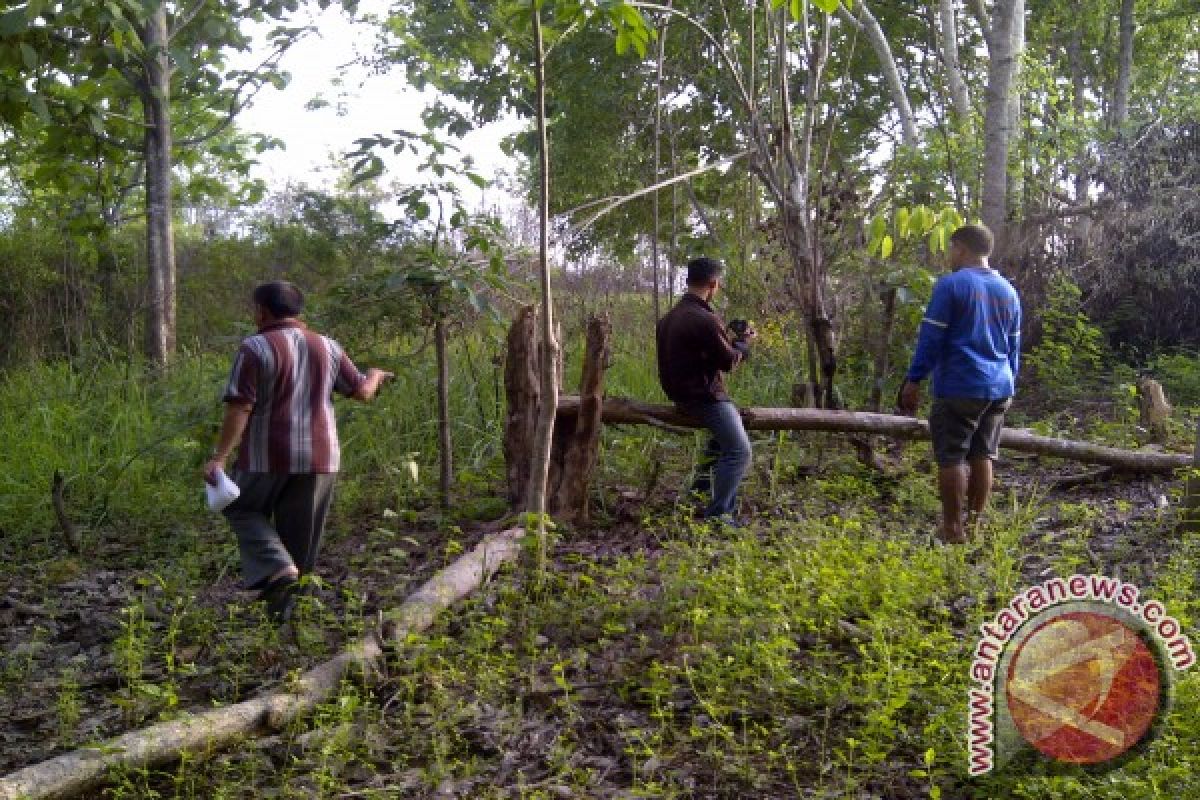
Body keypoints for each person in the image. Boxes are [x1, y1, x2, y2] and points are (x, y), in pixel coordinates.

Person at [204, 281, 392, 620]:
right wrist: (376, 374)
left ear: (262, 310)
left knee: (240, 507)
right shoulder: (329, 347)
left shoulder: (255, 348)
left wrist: (219, 458)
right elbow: (362, 393)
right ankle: (285, 623)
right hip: (321, 457)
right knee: (300, 541)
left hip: (266, 454)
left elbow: (240, 408)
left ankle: (277, 574)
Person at [899, 224, 1021, 544]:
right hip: (999, 387)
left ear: (962, 249)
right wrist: (1010, 384)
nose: (949, 256)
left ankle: (953, 529)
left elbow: (931, 338)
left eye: (952, 249)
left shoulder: (951, 285)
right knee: (983, 454)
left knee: (952, 456)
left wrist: (914, 380)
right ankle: (976, 525)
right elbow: (1013, 347)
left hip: (961, 385)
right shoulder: (1009, 291)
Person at [656, 257, 756, 523]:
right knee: (739, 451)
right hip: (703, 399)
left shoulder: (669, 318)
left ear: (689, 281)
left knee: (720, 441)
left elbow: (701, 356)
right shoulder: (705, 319)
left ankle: (699, 492)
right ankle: (719, 514)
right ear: (713, 284)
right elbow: (727, 362)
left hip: (682, 396)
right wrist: (743, 344)